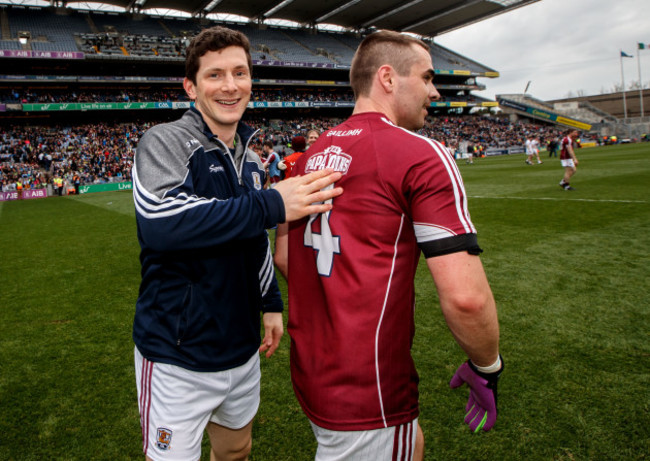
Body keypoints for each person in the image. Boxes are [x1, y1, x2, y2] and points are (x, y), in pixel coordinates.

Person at [275, 30, 503, 461]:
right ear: (388, 78)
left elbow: (285, 258)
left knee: (410, 444)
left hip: (312, 374)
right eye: (428, 77)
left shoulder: (308, 156)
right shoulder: (420, 154)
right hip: (370, 387)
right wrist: (487, 366)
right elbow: (466, 299)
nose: (434, 91)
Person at [131, 26, 342, 461]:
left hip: (241, 346)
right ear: (191, 86)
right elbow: (161, 224)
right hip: (177, 352)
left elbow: (254, 240)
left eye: (240, 73)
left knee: (236, 450)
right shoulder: (164, 141)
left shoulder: (248, 157)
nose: (230, 86)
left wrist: (270, 303)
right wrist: (271, 203)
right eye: (215, 75)